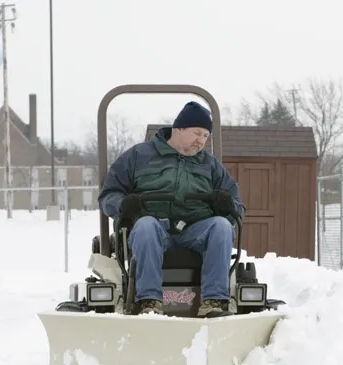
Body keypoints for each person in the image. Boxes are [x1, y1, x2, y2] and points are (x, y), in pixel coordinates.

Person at [97, 101, 245, 318]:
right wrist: (123, 204)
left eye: (205, 136)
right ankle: (149, 301)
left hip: (196, 231)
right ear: (178, 129)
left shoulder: (210, 165)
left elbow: (237, 207)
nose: (201, 141)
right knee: (146, 225)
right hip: (154, 227)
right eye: (197, 133)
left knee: (222, 226)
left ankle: (213, 302)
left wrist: (227, 207)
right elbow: (108, 195)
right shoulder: (138, 156)